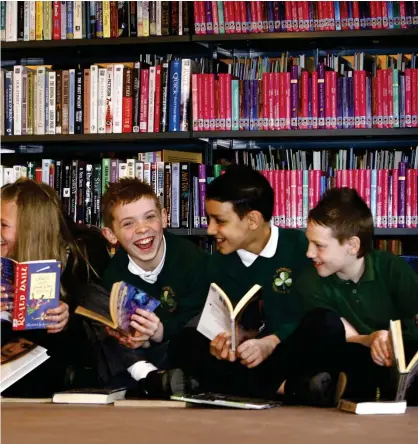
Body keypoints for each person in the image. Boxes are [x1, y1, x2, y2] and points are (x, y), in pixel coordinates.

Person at [168, 166, 347, 406]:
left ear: (252, 219)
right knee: (185, 342)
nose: (210, 230)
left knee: (326, 324)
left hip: (285, 351)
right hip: (245, 358)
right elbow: (213, 317)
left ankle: (248, 388)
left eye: (219, 221)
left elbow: (315, 310)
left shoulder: (301, 248)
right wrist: (225, 341)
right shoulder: (217, 262)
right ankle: (286, 388)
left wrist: (271, 342)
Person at [296, 187, 418, 403]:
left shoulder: (392, 268)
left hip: (403, 353)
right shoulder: (310, 280)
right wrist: (371, 339)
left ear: (352, 245)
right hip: (353, 353)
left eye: (319, 245)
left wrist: (392, 343)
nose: (309, 253)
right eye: (308, 242)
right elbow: (348, 336)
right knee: (334, 341)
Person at [93, 178, 209, 398]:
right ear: (110, 234)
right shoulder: (113, 273)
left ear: (164, 217)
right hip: (134, 355)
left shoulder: (193, 260)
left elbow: (195, 317)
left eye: (149, 217)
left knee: (202, 325)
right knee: (93, 302)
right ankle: (148, 377)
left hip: (177, 350)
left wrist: (159, 332)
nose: (142, 229)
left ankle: (149, 380)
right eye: (128, 223)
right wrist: (128, 334)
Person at [0, 179, 110, 397]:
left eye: (3, 225)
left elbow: (90, 340)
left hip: (46, 364)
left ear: (30, 228)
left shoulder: (81, 259)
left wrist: (66, 318)